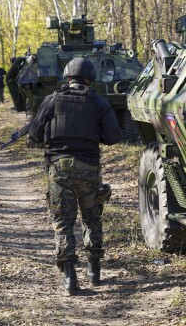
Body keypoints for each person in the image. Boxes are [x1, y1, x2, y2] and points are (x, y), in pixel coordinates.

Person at [28, 57, 122, 295]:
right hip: (89, 170)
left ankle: (70, 278)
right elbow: (114, 136)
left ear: (68, 77)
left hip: (59, 171)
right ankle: (94, 271)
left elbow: (35, 135)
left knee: (63, 225)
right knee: (92, 219)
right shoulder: (99, 102)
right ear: (90, 79)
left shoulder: (51, 100)